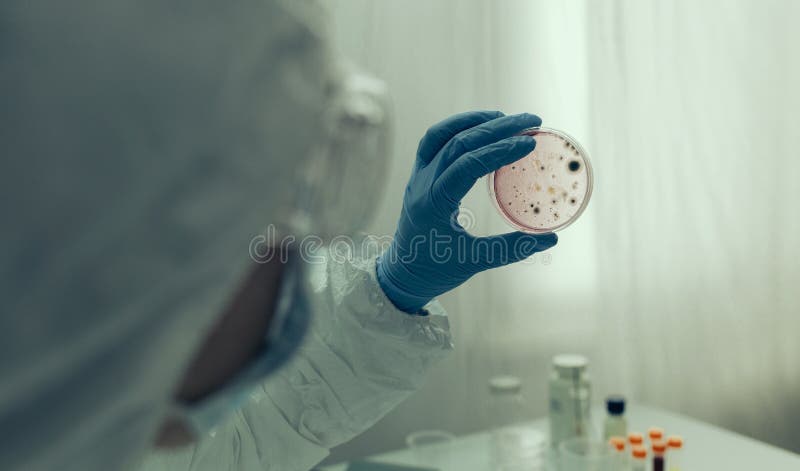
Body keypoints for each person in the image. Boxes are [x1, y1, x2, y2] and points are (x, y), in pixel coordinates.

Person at [0, 1, 557, 470]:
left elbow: (236, 451)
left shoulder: (75, 424)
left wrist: (394, 292)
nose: (284, 257)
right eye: (276, 210)